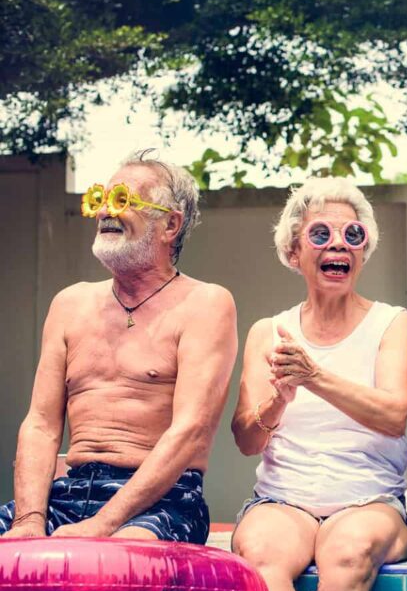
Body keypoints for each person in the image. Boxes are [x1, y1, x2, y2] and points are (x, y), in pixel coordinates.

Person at [0, 150, 236, 544]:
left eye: (123, 200)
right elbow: (40, 425)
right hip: (69, 491)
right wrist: (29, 519)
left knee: (125, 557)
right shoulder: (70, 304)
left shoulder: (205, 303)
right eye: (100, 199)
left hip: (165, 499)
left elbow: (190, 430)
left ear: (170, 225)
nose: (106, 211)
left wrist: (103, 525)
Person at [231, 178, 407, 591]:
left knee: (349, 552)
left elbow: (396, 415)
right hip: (283, 501)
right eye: (320, 234)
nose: (339, 244)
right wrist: (279, 401)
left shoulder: (390, 323)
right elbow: (245, 440)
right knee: (258, 551)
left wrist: (315, 377)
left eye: (353, 235)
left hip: (369, 500)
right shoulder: (268, 331)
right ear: (294, 253)